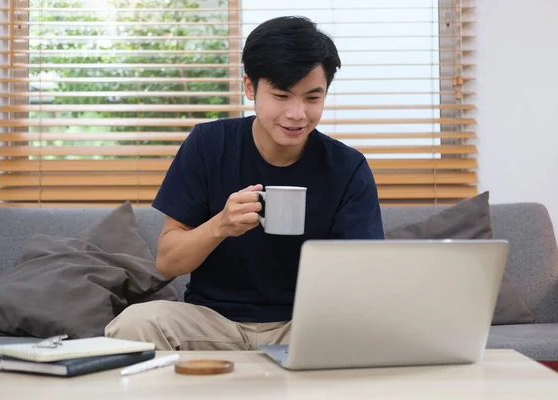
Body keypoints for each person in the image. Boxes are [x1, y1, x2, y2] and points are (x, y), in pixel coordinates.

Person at [105, 16, 384, 350]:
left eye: (313, 98)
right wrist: (221, 225)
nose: (297, 114)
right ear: (250, 87)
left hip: (303, 326)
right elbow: (168, 262)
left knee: (373, 333)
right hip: (212, 324)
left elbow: (364, 277)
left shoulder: (347, 167)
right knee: (133, 325)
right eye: (282, 95)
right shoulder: (208, 144)